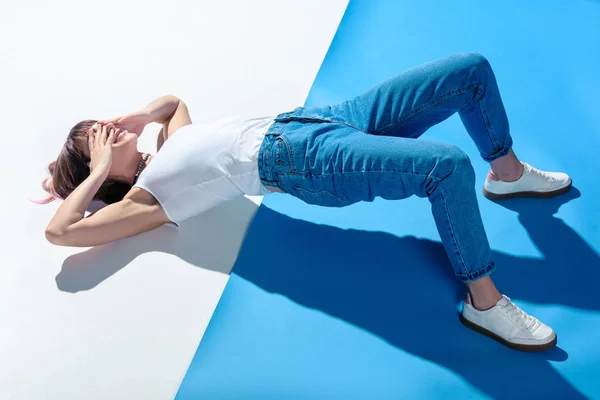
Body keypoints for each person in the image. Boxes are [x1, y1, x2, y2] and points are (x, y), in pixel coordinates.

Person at [41, 53, 571, 352]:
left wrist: (136, 119)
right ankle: (484, 303)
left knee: (468, 70)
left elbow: (172, 102)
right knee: (446, 165)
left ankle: (507, 175)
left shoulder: (166, 144)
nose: (103, 129)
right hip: (304, 162)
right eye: (94, 138)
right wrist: (101, 172)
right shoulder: (146, 198)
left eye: (97, 124)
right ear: (100, 166)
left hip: (317, 119)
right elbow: (60, 232)